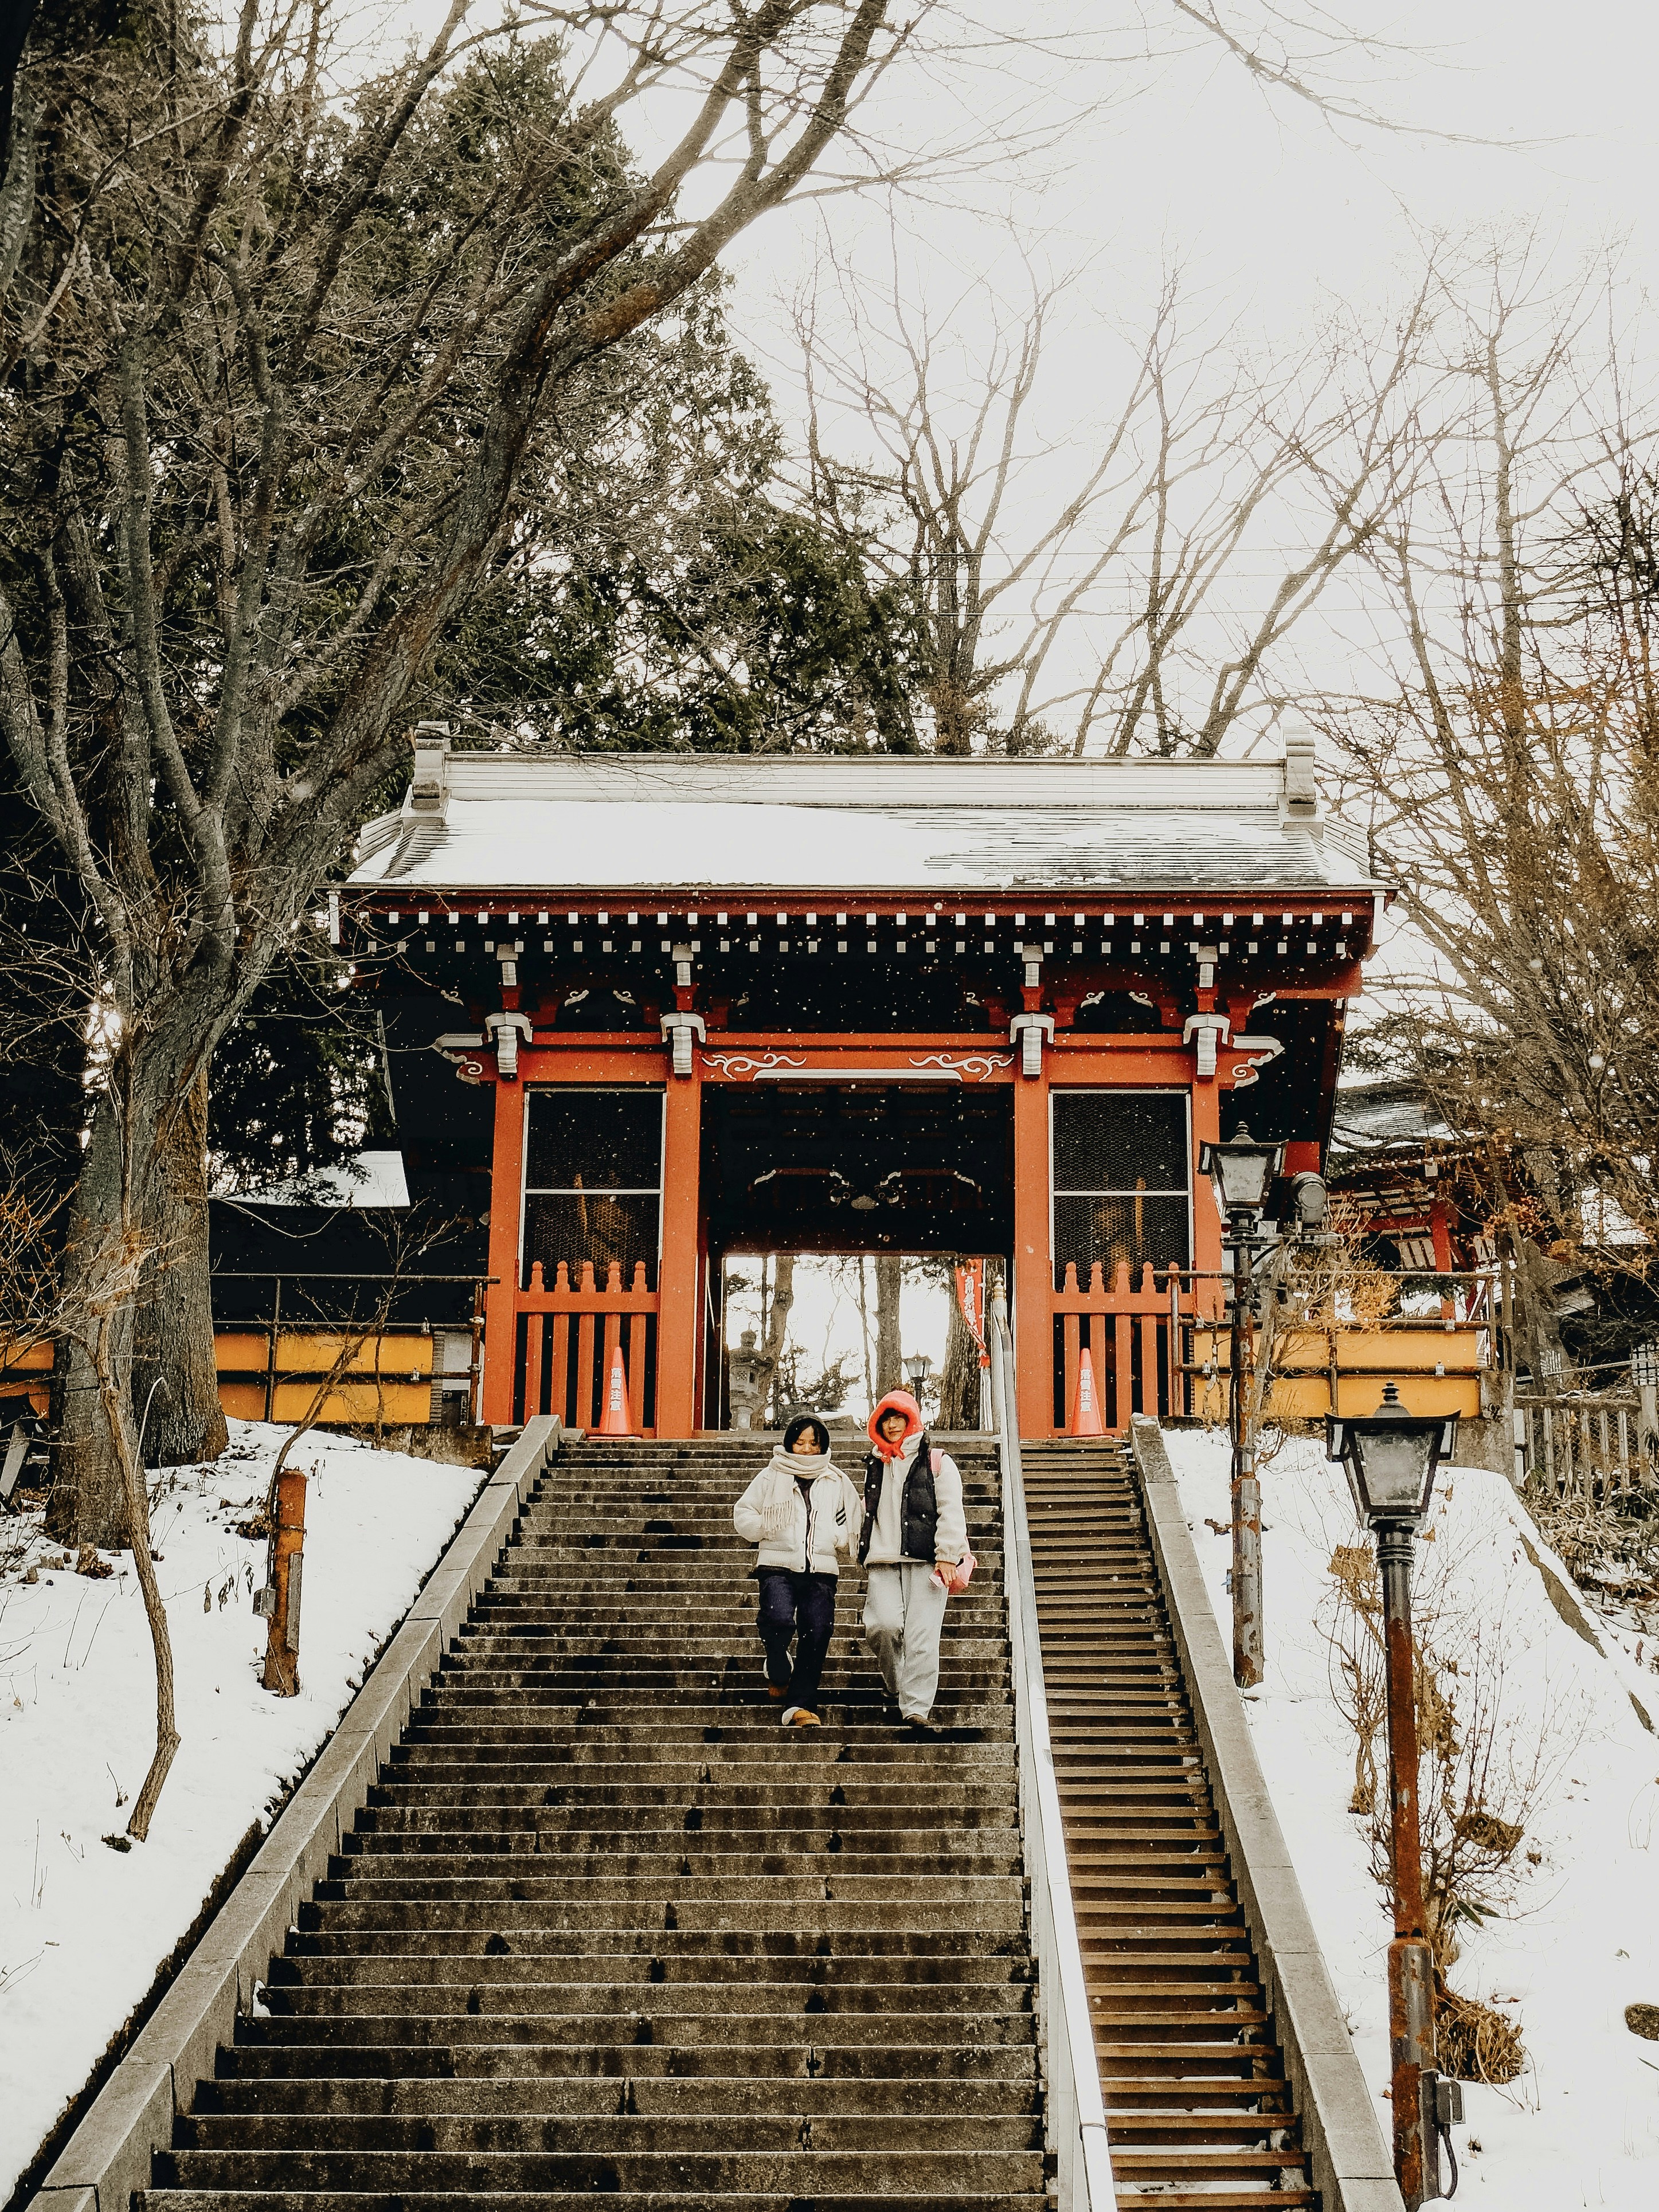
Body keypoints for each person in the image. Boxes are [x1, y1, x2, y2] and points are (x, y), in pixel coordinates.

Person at [733, 1414, 864, 1728]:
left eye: (813, 1444)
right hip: (777, 1565)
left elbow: (853, 1525)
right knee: (777, 1619)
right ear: (790, 1442)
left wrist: (836, 1537)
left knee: (818, 1631)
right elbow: (743, 1513)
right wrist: (766, 1526)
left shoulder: (836, 1480)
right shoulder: (770, 1476)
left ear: (823, 1446)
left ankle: (800, 1705)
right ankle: (778, 1666)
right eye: (800, 1442)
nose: (806, 1449)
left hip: (821, 1570)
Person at [857, 1389, 968, 1734]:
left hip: (926, 1560)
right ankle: (895, 1683)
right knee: (882, 1627)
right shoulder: (874, 1462)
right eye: (886, 1419)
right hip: (883, 1560)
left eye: (899, 1418)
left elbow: (951, 1509)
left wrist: (948, 1556)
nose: (892, 1425)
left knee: (922, 1637)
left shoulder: (936, 1460)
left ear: (912, 1419)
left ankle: (916, 1708)